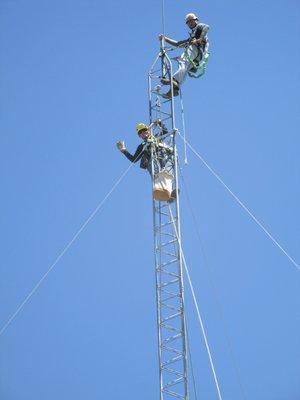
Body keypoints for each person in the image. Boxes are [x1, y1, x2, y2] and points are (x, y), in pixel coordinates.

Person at [117, 122, 177, 201]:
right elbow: (134, 159)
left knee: (168, 172)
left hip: (163, 158)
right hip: (152, 161)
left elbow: (165, 131)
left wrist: (160, 123)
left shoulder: (156, 138)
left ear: (148, 131)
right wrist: (123, 150)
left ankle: (170, 192)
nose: (143, 133)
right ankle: (159, 190)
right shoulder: (142, 146)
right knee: (157, 173)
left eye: (145, 130)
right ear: (139, 136)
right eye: (141, 132)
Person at [159, 13, 209, 98]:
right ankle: (174, 90)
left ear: (196, 20)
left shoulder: (199, 27)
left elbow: (206, 27)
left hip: (195, 50)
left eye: (191, 21)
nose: (190, 23)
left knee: (182, 61)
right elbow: (178, 44)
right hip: (198, 57)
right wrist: (165, 39)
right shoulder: (191, 37)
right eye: (188, 22)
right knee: (184, 70)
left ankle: (174, 80)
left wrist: (198, 40)